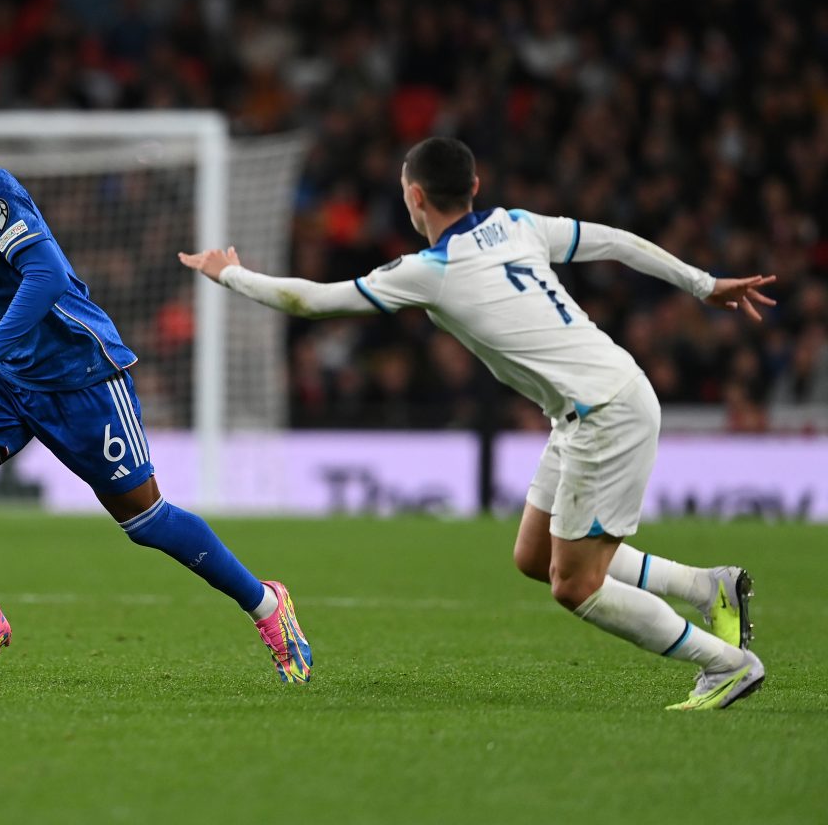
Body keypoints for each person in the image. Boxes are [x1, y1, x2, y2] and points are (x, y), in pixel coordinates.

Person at [181, 137, 775, 710]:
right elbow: (616, 241)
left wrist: (227, 272)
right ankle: (708, 587)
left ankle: (725, 664)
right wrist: (704, 284)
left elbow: (310, 301)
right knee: (534, 554)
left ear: (415, 198)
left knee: (575, 584)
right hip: (590, 404)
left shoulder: (430, 269)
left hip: (604, 414)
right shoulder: (518, 224)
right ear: (475, 187)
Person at [0, 80, 311, 684]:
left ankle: (267, 604)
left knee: (146, 521)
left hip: (77, 369)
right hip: (4, 372)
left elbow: (46, 275)